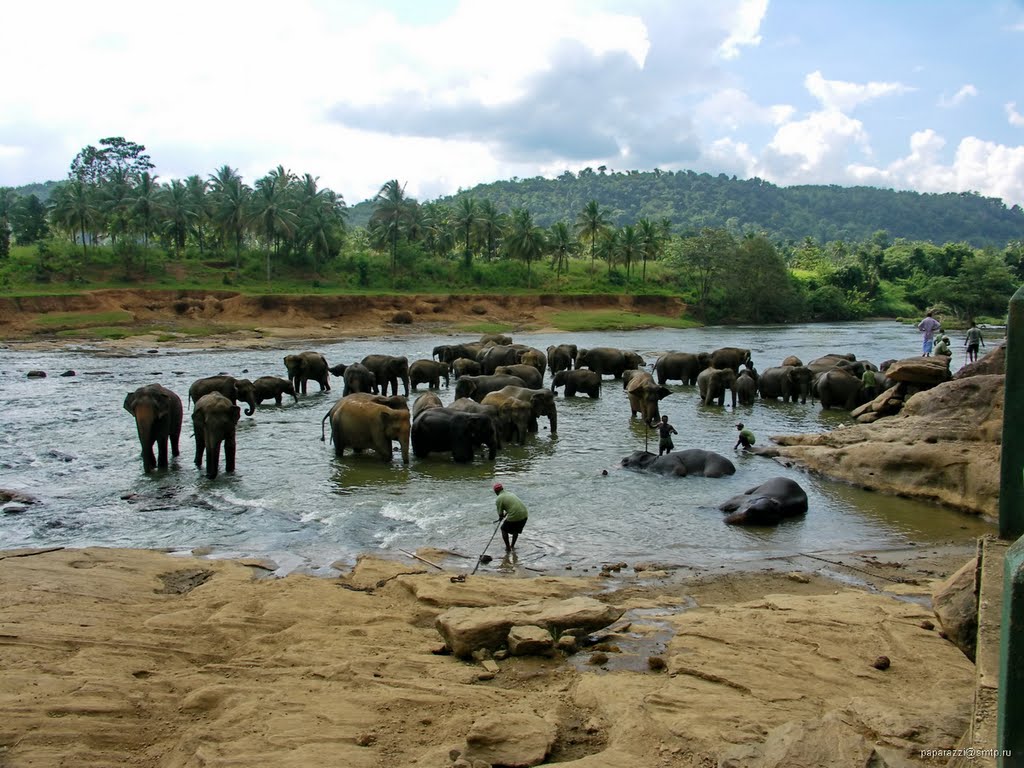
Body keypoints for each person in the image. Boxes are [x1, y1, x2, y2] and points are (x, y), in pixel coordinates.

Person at [492, 482, 528, 551]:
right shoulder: (510, 494)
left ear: (496, 491)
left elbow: (500, 514)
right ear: (502, 489)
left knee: (503, 529)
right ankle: (512, 546)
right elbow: (512, 507)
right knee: (515, 531)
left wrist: (500, 518)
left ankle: (508, 548)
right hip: (525, 514)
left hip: (515, 516)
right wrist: (506, 514)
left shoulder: (499, 498)